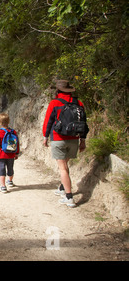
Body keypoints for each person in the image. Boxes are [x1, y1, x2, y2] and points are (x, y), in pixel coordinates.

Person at [42, 80, 88, 208]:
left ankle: (69, 197)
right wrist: (82, 140)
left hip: (58, 138)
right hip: (74, 139)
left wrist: (45, 137)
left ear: (58, 91)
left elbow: (48, 121)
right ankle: (62, 188)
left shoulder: (55, 103)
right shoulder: (79, 103)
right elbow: (83, 123)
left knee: (62, 168)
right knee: (65, 165)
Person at [0, 113, 19, 193]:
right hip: (11, 154)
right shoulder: (13, 132)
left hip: (1, 155)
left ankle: (3, 186)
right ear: (8, 121)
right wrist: (16, 153)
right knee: (10, 168)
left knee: (2, 170)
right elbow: (17, 143)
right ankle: (10, 181)